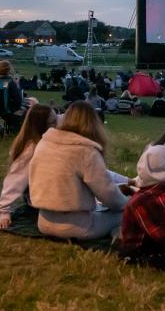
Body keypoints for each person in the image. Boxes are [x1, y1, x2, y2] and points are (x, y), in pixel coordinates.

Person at [28, 101, 130, 240]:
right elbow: (109, 196)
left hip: (43, 222)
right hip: (77, 228)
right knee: (129, 212)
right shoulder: (86, 151)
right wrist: (127, 202)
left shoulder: (44, 143)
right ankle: (118, 232)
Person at [0, 104, 57, 229]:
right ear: (42, 126)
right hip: (43, 200)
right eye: (53, 123)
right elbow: (14, 180)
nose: (57, 125)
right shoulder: (31, 150)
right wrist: (4, 212)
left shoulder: (47, 141)